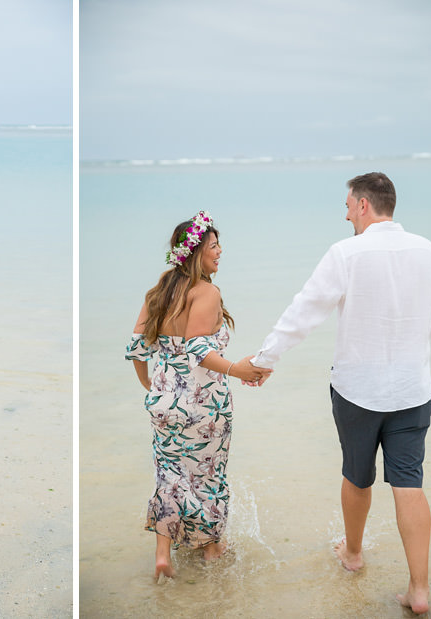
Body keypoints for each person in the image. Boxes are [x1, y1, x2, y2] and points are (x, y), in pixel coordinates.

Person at [248, 173, 431, 615]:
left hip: (358, 389)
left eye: (347, 206)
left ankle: (353, 555)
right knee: (409, 483)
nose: (346, 214)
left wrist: (265, 359)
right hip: (413, 389)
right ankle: (419, 591)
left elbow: (305, 309)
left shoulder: (346, 252)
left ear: (361, 205)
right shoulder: (428, 249)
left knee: (358, 476)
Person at [124, 211, 271, 581]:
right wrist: (237, 368)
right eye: (213, 246)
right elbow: (198, 350)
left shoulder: (160, 289)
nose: (220, 251)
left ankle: (163, 552)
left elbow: (137, 349)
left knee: (169, 473)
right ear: (194, 254)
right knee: (207, 476)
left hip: (163, 404)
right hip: (204, 406)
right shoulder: (207, 292)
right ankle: (211, 549)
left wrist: (153, 388)